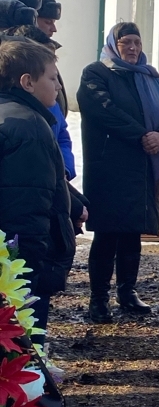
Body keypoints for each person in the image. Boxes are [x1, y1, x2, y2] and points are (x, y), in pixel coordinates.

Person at [77, 22, 159, 323]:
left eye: (137, 41)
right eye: (126, 42)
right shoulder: (96, 73)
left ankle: (127, 291)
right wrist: (142, 135)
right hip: (111, 168)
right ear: (113, 44)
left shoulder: (150, 76)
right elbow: (105, 111)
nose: (133, 48)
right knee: (108, 235)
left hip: (144, 168)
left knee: (133, 232)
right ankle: (98, 299)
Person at [0, 36, 76, 332]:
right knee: (23, 350)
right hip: (18, 266)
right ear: (27, 82)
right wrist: (31, 270)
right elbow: (26, 208)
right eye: (52, 77)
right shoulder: (29, 127)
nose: (58, 86)